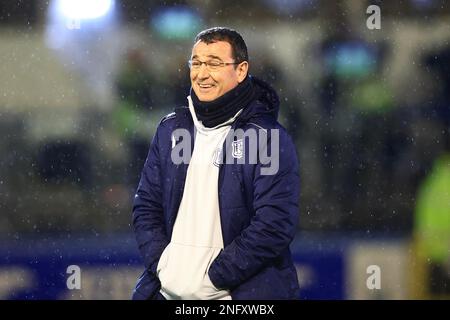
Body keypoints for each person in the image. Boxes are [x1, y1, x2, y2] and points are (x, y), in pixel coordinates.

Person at [131, 27, 300, 300]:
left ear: (241, 70)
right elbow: (146, 206)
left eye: (214, 63)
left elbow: (274, 224)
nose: (202, 74)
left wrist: (213, 277)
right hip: (166, 292)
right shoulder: (171, 130)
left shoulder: (268, 138)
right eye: (196, 63)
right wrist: (165, 266)